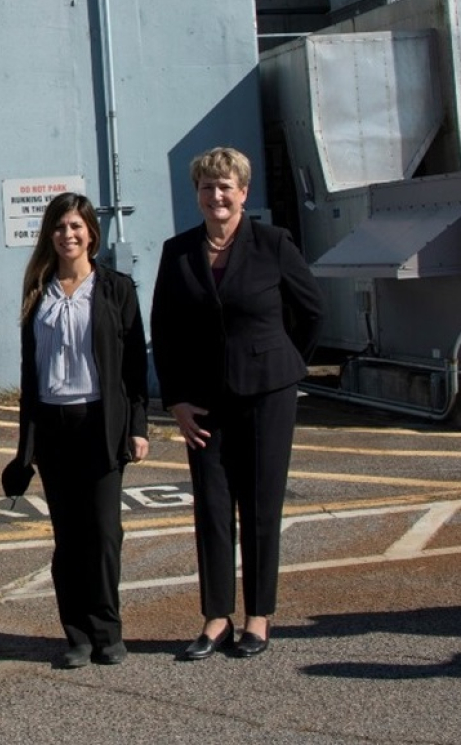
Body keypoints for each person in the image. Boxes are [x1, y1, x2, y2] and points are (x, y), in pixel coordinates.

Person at [151, 146, 324, 661]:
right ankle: (216, 617)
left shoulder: (273, 244)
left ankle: (259, 618)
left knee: (262, 507)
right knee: (211, 508)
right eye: (207, 187)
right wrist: (176, 398)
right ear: (197, 195)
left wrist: (282, 364)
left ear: (243, 193)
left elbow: (311, 311)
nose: (217, 195)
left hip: (267, 396)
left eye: (226, 186)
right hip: (204, 403)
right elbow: (165, 330)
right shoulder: (178, 251)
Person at [9, 192, 149, 669]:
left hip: (99, 423)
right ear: (50, 235)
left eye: (75, 226)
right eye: (59, 227)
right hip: (53, 425)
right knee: (67, 537)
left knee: (105, 533)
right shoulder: (38, 290)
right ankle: (77, 635)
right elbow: (31, 371)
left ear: (91, 232)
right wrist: (26, 442)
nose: (67, 235)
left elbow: (133, 367)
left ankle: (108, 630)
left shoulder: (115, 288)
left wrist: (138, 427)